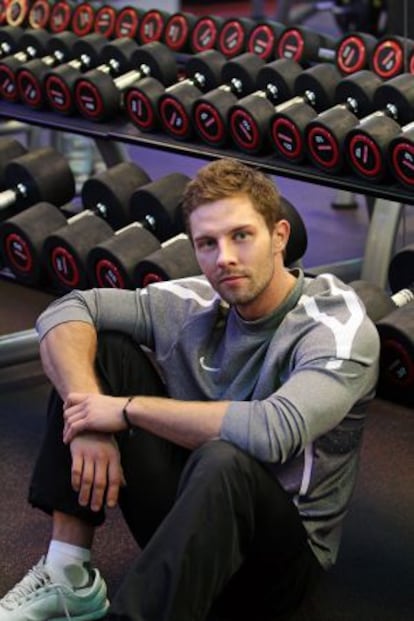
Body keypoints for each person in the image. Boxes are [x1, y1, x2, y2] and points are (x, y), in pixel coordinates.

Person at [0, 158, 380, 621]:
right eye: (207, 243)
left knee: (224, 458)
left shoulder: (336, 325)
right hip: (190, 518)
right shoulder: (194, 302)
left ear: (279, 236)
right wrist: (87, 421)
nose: (224, 258)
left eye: (241, 236)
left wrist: (124, 410)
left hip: (277, 560)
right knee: (99, 351)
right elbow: (67, 310)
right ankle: (68, 573)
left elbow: (271, 432)